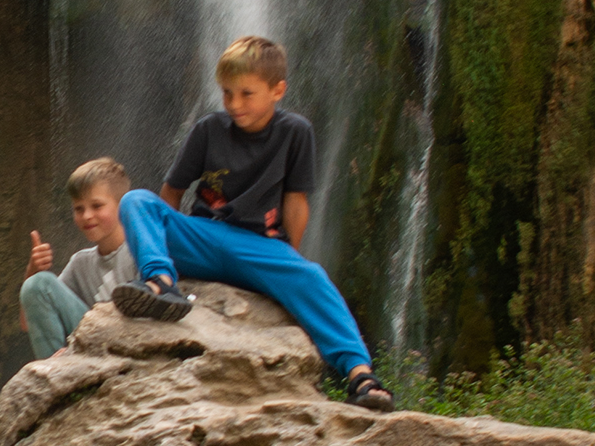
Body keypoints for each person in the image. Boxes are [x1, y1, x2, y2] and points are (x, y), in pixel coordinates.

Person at [109, 36, 396, 412]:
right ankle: (161, 283)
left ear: (278, 90)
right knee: (135, 200)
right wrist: (160, 245)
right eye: (227, 93)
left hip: (258, 245)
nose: (234, 104)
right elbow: (171, 193)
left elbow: (296, 201)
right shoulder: (208, 129)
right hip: (203, 237)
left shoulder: (295, 132)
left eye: (247, 94)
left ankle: (360, 375)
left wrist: (287, 258)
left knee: (311, 276)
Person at [19, 160, 139, 359]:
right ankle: (54, 369)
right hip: (93, 350)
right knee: (37, 284)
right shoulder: (80, 264)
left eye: (97, 206)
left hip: (135, 348)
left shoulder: (142, 253)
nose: (87, 216)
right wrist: (33, 270)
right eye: (79, 209)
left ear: (123, 206)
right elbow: (27, 324)